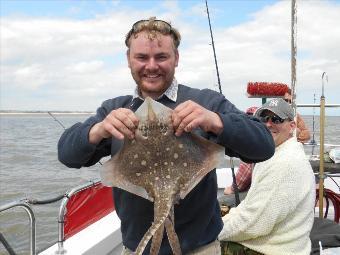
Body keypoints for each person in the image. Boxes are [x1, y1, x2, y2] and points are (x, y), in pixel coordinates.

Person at [58, 17, 275, 255]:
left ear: (176, 59)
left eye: (161, 57)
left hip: (199, 249)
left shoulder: (206, 102)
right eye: (142, 57)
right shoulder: (114, 110)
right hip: (136, 249)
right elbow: (67, 154)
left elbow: (264, 145)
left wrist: (216, 121)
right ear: (129, 60)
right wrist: (98, 130)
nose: (151, 66)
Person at [219, 98, 315, 255]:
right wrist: (223, 221)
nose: (269, 124)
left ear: (292, 126)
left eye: (276, 119)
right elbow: (249, 206)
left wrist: (212, 232)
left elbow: (254, 222)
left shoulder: (285, 163)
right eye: (263, 119)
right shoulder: (270, 153)